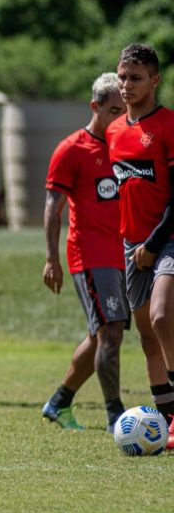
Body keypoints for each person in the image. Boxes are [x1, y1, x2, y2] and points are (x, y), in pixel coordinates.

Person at [41, 73, 128, 431]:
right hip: (89, 254)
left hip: (123, 254)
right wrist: (51, 259)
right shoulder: (71, 149)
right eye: (112, 111)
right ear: (94, 107)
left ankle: (59, 402)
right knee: (111, 330)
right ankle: (115, 414)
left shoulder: (126, 145)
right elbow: (52, 208)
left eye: (124, 112)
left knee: (101, 335)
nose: (119, 118)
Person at [106, 43, 174, 448]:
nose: (127, 85)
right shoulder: (114, 131)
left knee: (164, 317)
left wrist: (151, 244)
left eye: (136, 78)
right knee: (148, 336)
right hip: (134, 245)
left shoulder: (168, 125)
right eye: (122, 77)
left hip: (166, 237)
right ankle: (165, 424)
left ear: (155, 81)